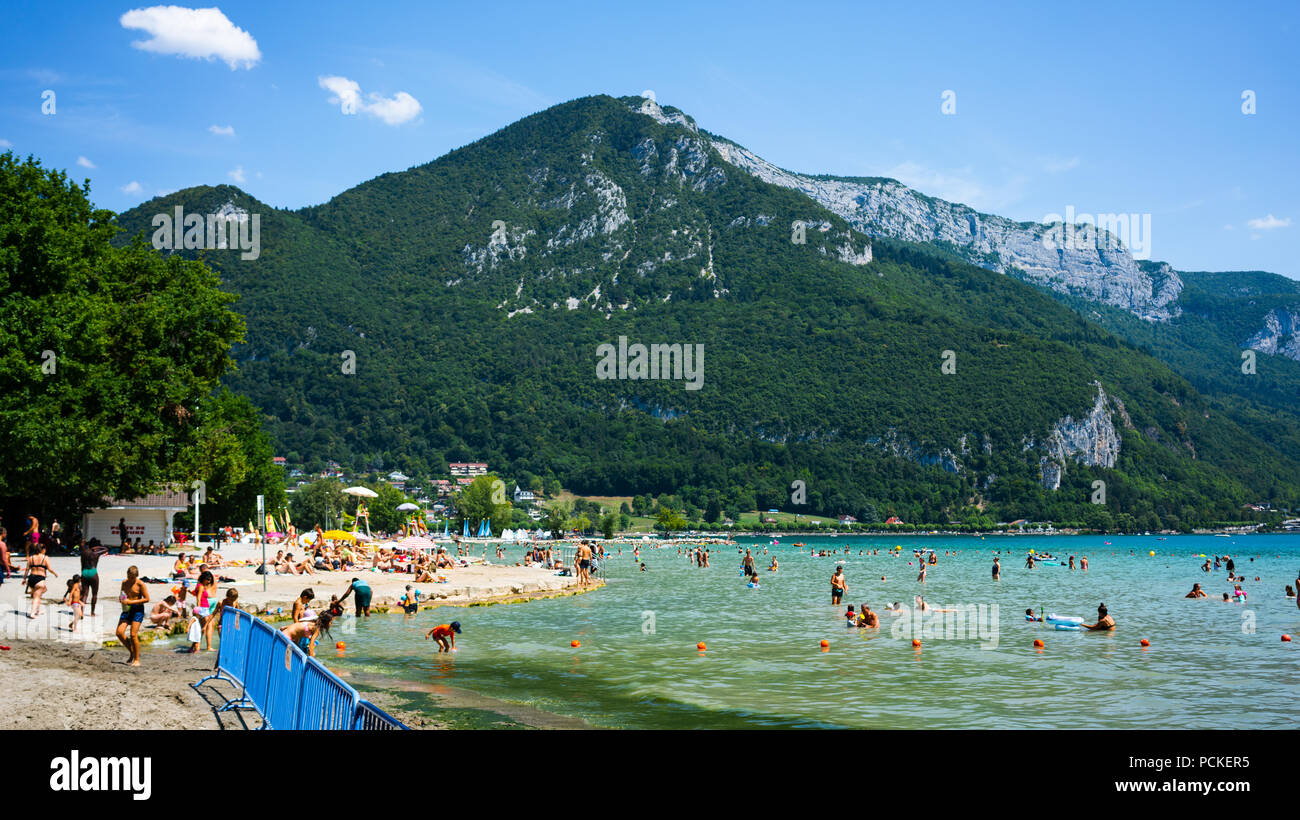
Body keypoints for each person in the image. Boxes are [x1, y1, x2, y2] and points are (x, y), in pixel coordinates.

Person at [115, 566, 150, 666]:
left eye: (132, 578)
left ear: (136, 576)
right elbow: (122, 594)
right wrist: (121, 599)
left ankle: (137, 659)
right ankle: (132, 651)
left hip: (137, 610)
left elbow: (147, 599)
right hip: (127, 609)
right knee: (119, 632)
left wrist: (132, 602)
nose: (130, 579)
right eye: (129, 576)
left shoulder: (140, 584)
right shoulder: (124, 582)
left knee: (133, 635)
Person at [79, 537, 110, 616]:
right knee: (94, 594)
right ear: (95, 546)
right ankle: (92, 612)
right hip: (93, 572)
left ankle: (81, 611)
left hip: (84, 572)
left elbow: (82, 545)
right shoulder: (96, 553)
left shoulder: (83, 552)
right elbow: (106, 549)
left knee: (85, 594)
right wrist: (97, 547)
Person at [24, 541, 56, 618]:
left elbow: (27, 569)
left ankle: (38, 611)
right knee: (37, 596)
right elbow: (49, 569)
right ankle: (32, 613)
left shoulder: (31, 558)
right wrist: (55, 573)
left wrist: (24, 579)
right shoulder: (45, 558)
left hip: (31, 578)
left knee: (38, 594)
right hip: (40, 578)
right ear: (43, 550)